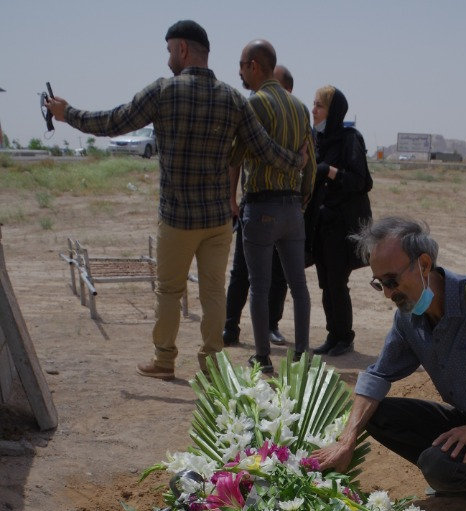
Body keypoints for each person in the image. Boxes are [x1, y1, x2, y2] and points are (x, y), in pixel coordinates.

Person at [46, 20, 305, 381]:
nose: (168, 58)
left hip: (178, 218)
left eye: (170, 50)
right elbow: (265, 150)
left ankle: (165, 360)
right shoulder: (233, 98)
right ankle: (212, 363)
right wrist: (298, 161)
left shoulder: (163, 92)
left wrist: (67, 113)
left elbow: (113, 121)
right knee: (214, 291)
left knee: (169, 290)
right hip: (217, 221)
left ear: (182, 49)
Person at [313, 216, 466, 511]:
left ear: (424, 264)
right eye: (379, 284)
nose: (387, 293)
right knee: (378, 415)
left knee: (438, 467)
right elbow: (378, 375)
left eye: (391, 281)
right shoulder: (410, 316)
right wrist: (347, 440)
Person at [233, 40, 315, 376]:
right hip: (293, 208)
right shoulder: (300, 108)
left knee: (260, 285)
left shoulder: (256, 103)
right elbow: (310, 163)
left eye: (241, 65)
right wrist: (302, 200)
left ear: (254, 65)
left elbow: (237, 153)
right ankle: (301, 356)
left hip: (261, 205)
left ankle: (263, 357)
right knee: (299, 286)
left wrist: (230, 197)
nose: (239, 71)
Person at [222, 63, 297, 351]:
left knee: (278, 274)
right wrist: (232, 199)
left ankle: (271, 326)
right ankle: (231, 326)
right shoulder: (254, 111)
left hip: (284, 209)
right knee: (242, 271)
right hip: (253, 206)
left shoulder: (295, 116)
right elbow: (235, 158)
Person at [309, 86, 372, 358]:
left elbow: (362, 181)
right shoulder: (316, 140)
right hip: (321, 224)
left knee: (337, 282)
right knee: (325, 283)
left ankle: (344, 337)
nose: (314, 111)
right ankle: (333, 335)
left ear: (333, 111)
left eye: (320, 106)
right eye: (314, 105)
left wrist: (331, 172)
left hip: (341, 225)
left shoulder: (349, 138)